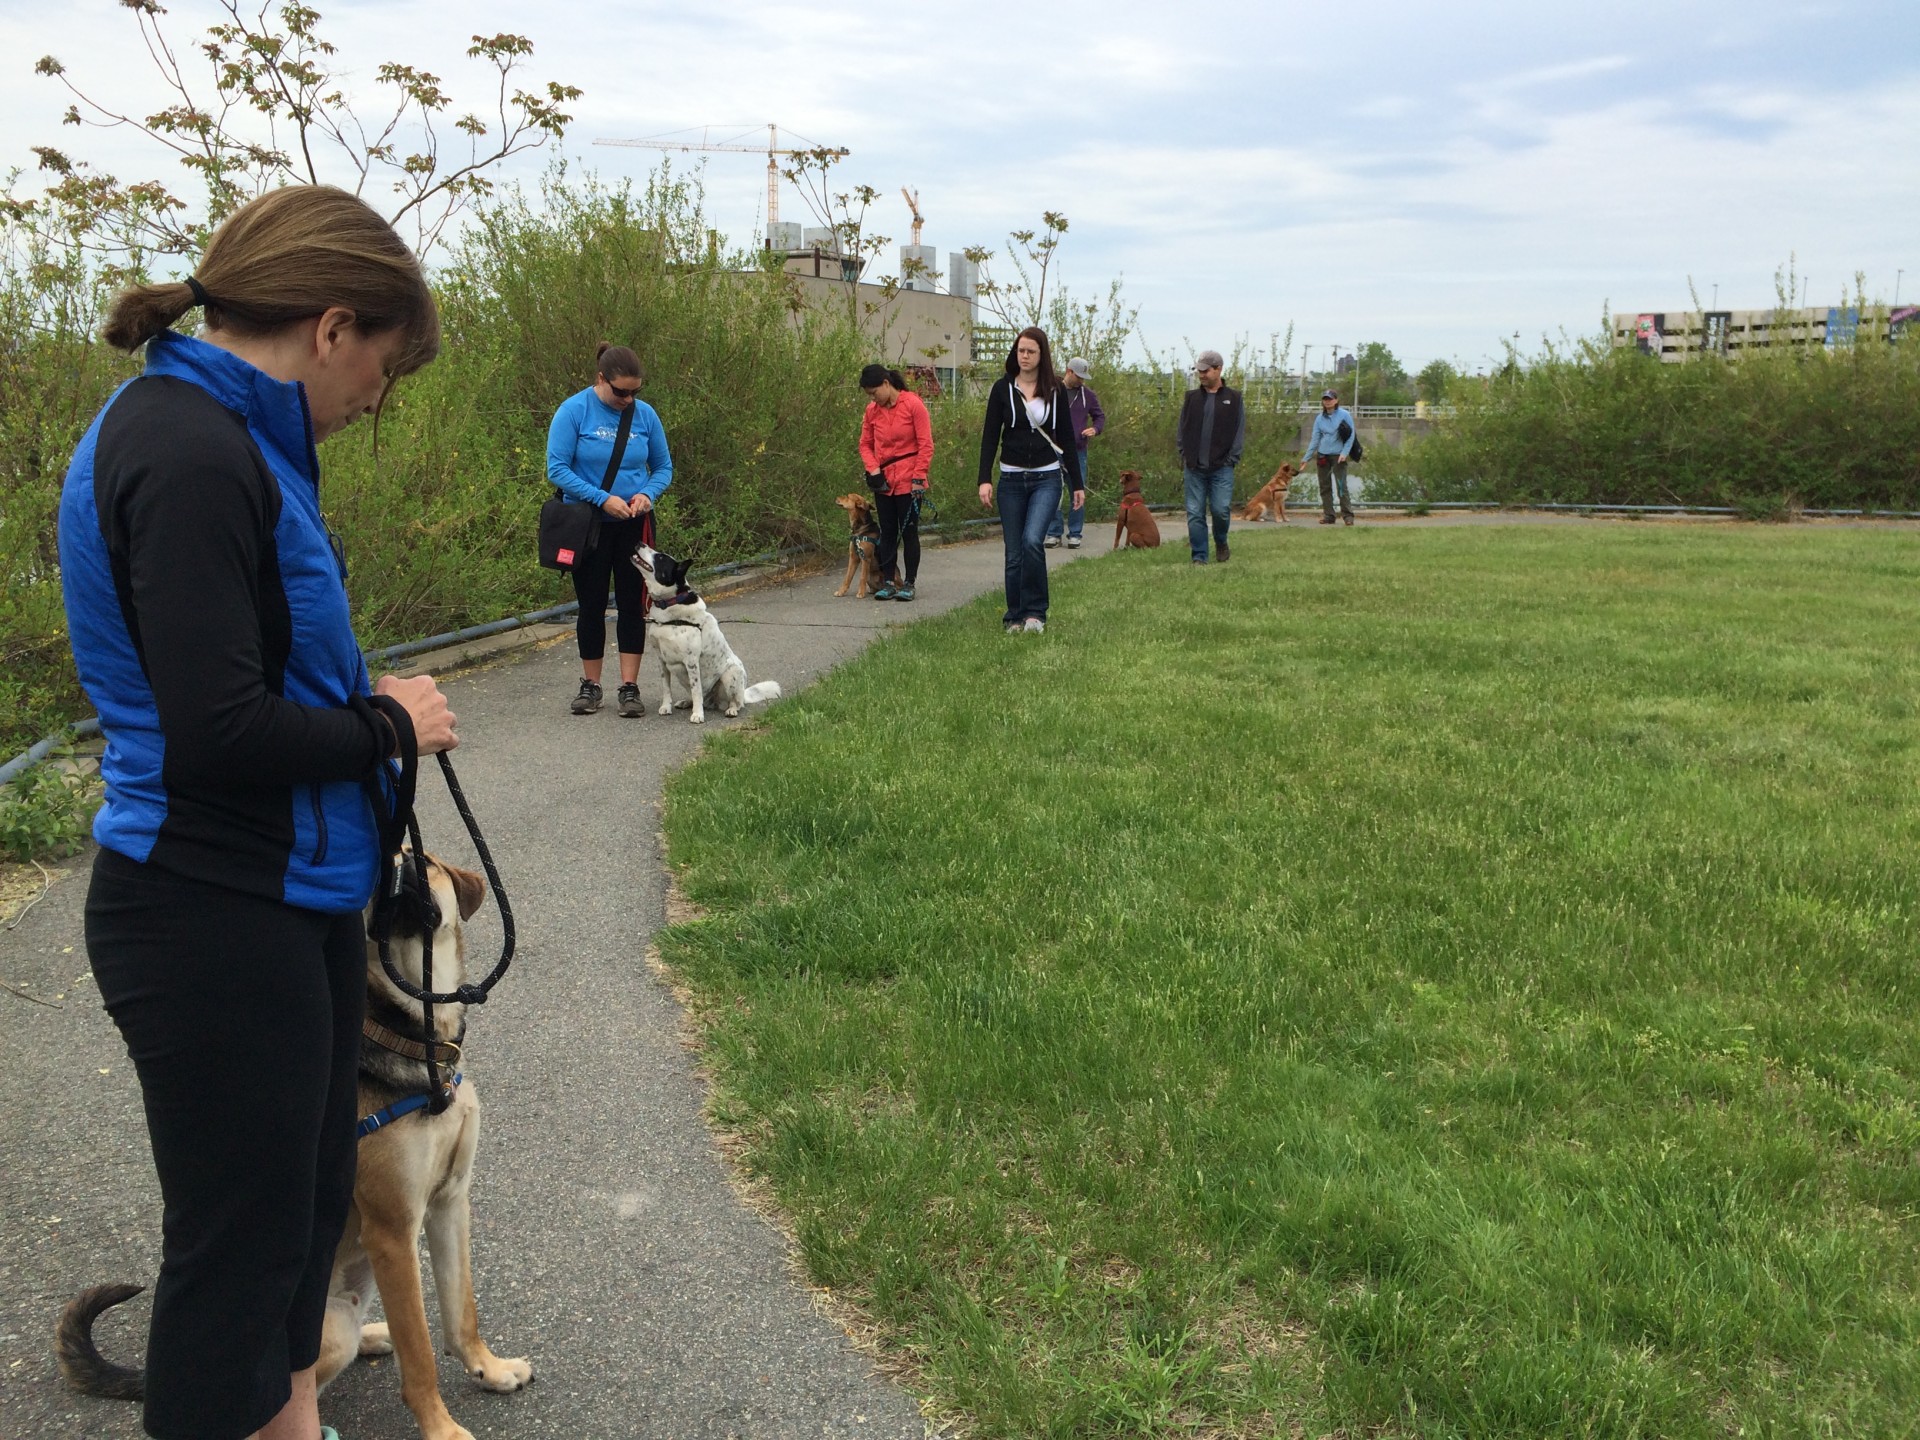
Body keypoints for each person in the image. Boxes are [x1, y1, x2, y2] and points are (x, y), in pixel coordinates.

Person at [57, 184, 457, 1440]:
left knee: (298, 1218)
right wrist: (393, 722)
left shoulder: (242, 444)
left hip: (288, 899)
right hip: (204, 907)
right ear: (333, 326)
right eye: (384, 369)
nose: (376, 402)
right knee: (235, 1256)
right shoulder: (183, 450)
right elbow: (213, 731)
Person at [547, 343, 674, 716]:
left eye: (635, 391)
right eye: (621, 391)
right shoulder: (574, 411)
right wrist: (602, 498)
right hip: (588, 525)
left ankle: (630, 688)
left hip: (633, 527)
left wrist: (647, 495)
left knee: (634, 605)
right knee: (592, 605)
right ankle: (591, 685)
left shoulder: (645, 416)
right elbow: (557, 469)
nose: (628, 398)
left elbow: (663, 467)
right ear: (601, 379)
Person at [976, 327, 1084, 633]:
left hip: (1046, 478)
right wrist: (985, 479)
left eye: (1031, 352)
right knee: (1014, 551)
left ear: (1042, 355)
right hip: (1010, 481)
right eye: (1020, 350)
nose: (1024, 356)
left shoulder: (1055, 390)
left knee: (1032, 541)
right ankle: (1015, 615)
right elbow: (989, 438)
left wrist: (1077, 483)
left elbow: (1066, 438)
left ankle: (1036, 612)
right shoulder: (1001, 389)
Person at [857, 362, 934, 601]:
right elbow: (865, 444)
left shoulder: (913, 405)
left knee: (909, 531)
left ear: (886, 384)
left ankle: (909, 582)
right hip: (884, 482)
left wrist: (919, 477)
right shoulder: (872, 411)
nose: (873, 398)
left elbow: (926, 445)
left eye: (874, 392)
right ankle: (888, 580)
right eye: (869, 395)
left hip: (910, 479)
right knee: (887, 532)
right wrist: (873, 470)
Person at [1176, 349, 1245, 563]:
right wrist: (1184, 452)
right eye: (1200, 371)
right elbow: (1181, 428)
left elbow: (1239, 430)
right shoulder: (1192, 398)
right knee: (1195, 513)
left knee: (1220, 510)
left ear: (1218, 369)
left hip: (1222, 467)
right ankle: (1199, 556)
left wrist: (1231, 459)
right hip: (1194, 467)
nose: (1202, 374)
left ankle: (1221, 541)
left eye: (1206, 371)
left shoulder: (1234, 398)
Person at [1044, 356, 1105, 549]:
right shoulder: (1052, 392)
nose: (1082, 381)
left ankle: (1075, 533)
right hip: (1053, 449)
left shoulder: (1088, 395)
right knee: (1052, 491)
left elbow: (1099, 416)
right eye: (1079, 376)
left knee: (1077, 492)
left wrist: (1095, 429)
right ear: (1069, 372)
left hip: (1077, 451)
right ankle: (1054, 533)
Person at [1302, 388, 1357, 525]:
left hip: (1338, 455)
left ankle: (1347, 515)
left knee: (1341, 486)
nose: (1327, 402)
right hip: (1323, 455)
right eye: (1325, 399)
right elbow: (1315, 439)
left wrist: (1344, 453)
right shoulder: (1319, 419)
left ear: (1336, 400)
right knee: (1324, 486)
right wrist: (1306, 457)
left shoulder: (1344, 415)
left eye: (1330, 399)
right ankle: (1329, 515)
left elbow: (1351, 436)